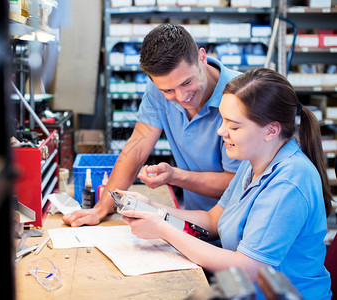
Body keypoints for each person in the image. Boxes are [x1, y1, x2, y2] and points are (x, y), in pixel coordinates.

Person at [120, 68, 332, 299]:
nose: (222, 131)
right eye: (222, 120)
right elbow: (213, 220)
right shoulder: (254, 160)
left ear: (271, 130)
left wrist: (163, 229)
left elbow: (248, 269)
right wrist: (152, 209)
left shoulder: (288, 183)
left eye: (234, 126)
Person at [63, 24, 241, 227]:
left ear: (202, 57)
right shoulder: (159, 87)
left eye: (187, 83)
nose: (182, 97)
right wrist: (102, 208)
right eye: (168, 91)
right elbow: (137, 147)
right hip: (196, 222)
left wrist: (176, 176)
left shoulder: (242, 96)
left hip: (238, 226)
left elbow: (238, 183)